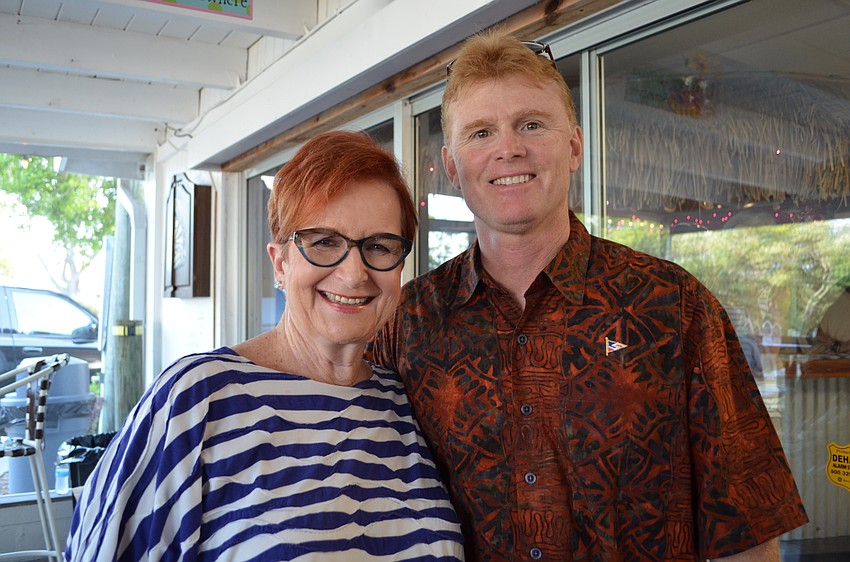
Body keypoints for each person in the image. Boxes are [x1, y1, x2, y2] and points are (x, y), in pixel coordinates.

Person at [369, 31, 807, 561]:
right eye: (481, 132)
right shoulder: (406, 324)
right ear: (452, 166)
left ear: (574, 146)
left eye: (531, 124)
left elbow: (749, 530)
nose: (508, 148)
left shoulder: (674, 307)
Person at [66, 131, 464, 561]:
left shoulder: (404, 402)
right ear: (280, 262)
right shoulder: (198, 399)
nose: (354, 274)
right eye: (324, 242)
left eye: (379, 246)